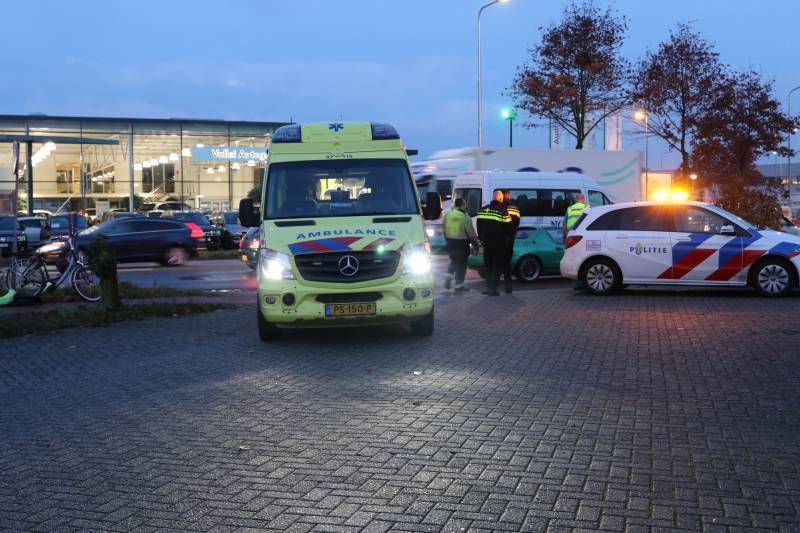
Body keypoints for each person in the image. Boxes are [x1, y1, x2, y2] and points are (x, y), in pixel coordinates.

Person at [476, 190, 513, 296]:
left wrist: (481, 237)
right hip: (499, 243)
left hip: (486, 243)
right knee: (497, 267)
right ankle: (493, 289)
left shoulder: (483, 210)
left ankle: (488, 288)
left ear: (492, 198)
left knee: (488, 265)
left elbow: (479, 226)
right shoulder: (503, 211)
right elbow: (509, 227)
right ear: (500, 199)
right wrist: (507, 238)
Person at [443, 198, 478, 293]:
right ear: (463, 205)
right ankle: (458, 286)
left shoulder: (448, 215)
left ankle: (448, 276)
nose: (466, 205)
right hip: (462, 244)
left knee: (454, 261)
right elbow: (471, 233)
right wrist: (475, 244)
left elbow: (444, 229)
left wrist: (447, 240)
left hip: (450, 242)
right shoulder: (465, 217)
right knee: (461, 265)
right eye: (465, 203)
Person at [563, 193, 589, 289]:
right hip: (583, 236)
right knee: (584, 259)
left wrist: (564, 236)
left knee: (573, 259)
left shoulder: (570, 209)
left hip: (571, 237)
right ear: (583, 199)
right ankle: (583, 282)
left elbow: (564, 224)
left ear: (576, 199)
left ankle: (576, 284)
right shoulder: (587, 208)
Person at [501, 191, 521, 294]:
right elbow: (517, 223)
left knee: (495, 263)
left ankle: (492, 288)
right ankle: (508, 288)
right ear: (508, 195)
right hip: (510, 238)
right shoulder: (515, 208)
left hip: (499, 238)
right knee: (507, 264)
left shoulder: (498, 207)